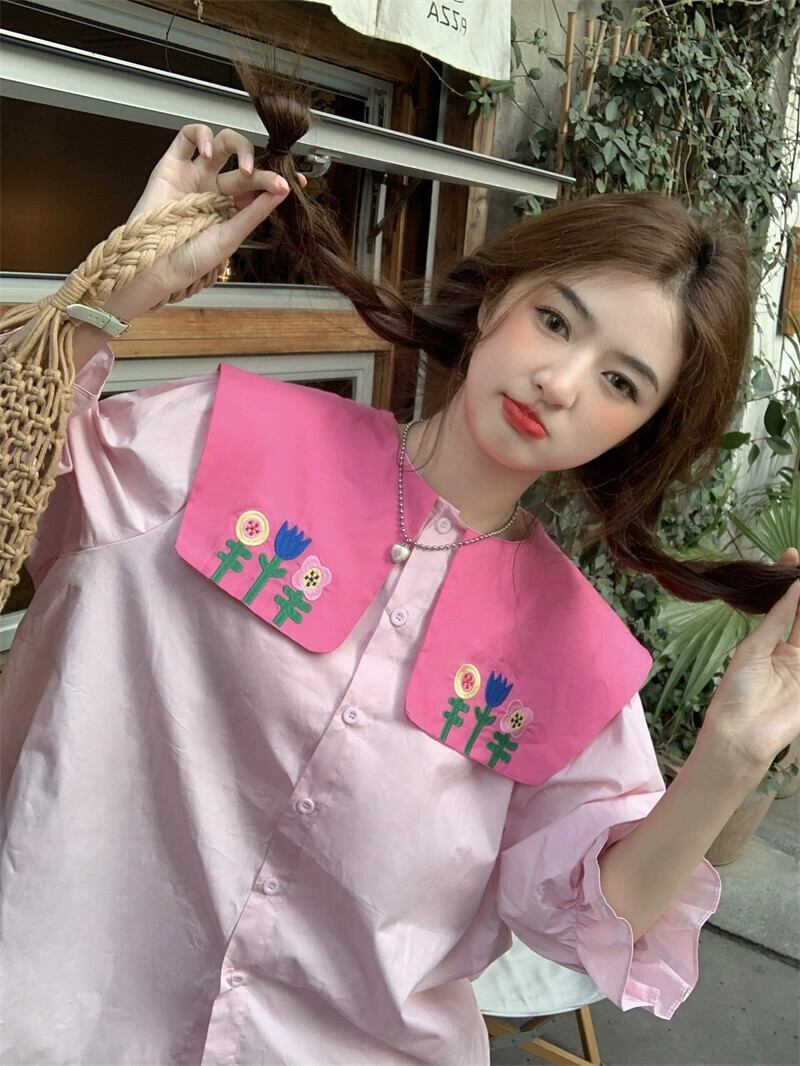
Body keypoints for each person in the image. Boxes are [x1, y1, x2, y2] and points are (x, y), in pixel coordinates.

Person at [1, 93, 799, 1065]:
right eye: (555, 320)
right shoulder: (222, 438)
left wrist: (731, 754)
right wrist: (113, 291)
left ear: (641, 429)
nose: (559, 382)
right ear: (498, 298)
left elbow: (590, 916)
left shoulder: (571, 654)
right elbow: (16, 477)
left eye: (619, 381)